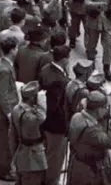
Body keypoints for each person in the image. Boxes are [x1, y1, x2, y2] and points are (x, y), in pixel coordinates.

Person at [68, 91, 111, 185]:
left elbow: (98, 118)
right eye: (105, 108)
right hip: (88, 172)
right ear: (98, 110)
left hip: (77, 164)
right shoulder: (91, 130)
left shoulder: (78, 116)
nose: (106, 110)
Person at [38, 44, 71, 185]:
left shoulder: (45, 70)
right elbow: (57, 107)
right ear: (64, 60)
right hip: (56, 126)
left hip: (44, 121)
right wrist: (65, 125)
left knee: (47, 153)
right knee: (55, 159)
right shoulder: (60, 80)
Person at [0, 34, 20, 181]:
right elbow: (3, 94)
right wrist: (9, 113)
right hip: (4, 113)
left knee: (1, 141)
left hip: (1, 111)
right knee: (4, 142)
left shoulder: (0, 63)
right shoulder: (5, 69)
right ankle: (3, 170)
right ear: (13, 50)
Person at [10, 80, 47, 185]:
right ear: (32, 97)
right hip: (33, 159)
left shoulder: (16, 109)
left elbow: (11, 135)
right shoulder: (30, 116)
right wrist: (41, 103)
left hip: (21, 154)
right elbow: (42, 117)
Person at [84, 0, 111, 81]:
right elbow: (87, 3)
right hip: (94, 21)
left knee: (108, 46)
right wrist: (100, 4)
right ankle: (90, 67)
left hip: (107, 22)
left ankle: (106, 68)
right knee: (91, 45)